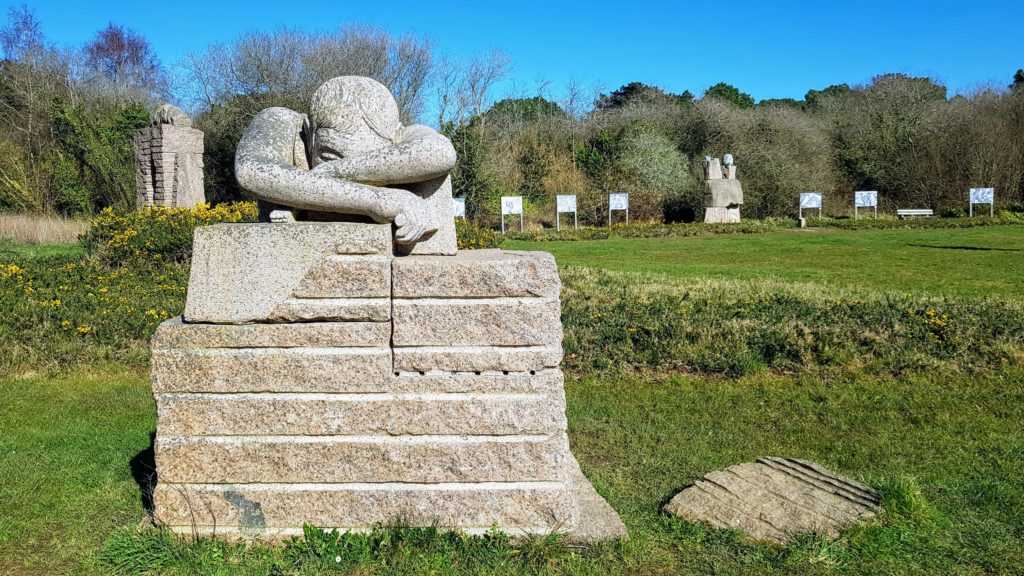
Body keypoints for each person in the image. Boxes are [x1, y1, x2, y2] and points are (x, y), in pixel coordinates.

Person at [235, 76, 456, 246]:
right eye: (329, 155)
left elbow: (442, 152)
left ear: (396, 137)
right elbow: (251, 171)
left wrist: (333, 171)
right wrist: (375, 200)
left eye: (371, 156)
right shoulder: (280, 122)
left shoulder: (403, 135)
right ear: (309, 131)